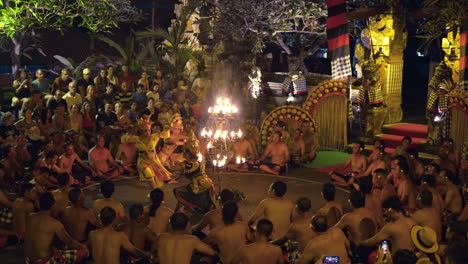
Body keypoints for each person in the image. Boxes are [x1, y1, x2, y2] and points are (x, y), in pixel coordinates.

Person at [25, 193, 88, 263]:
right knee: (82, 252)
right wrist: (83, 247)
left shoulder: (30, 217)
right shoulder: (55, 224)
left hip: (28, 260)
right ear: (53, 205)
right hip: (44, 261)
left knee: (57, 247)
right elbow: (70, 242)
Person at [120, 120, 172, 188]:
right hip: (143, 160)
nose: (147, 132)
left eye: (149, 130)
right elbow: (124, 139)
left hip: (153, 160)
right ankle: (154, 189)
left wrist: (167, 129)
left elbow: (164, 134)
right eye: (145, 131)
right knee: (149, 174)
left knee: (156, 177)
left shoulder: (154, 136)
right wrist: (131, 133)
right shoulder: (137, 139)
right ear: (141, 131)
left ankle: (155, 190)